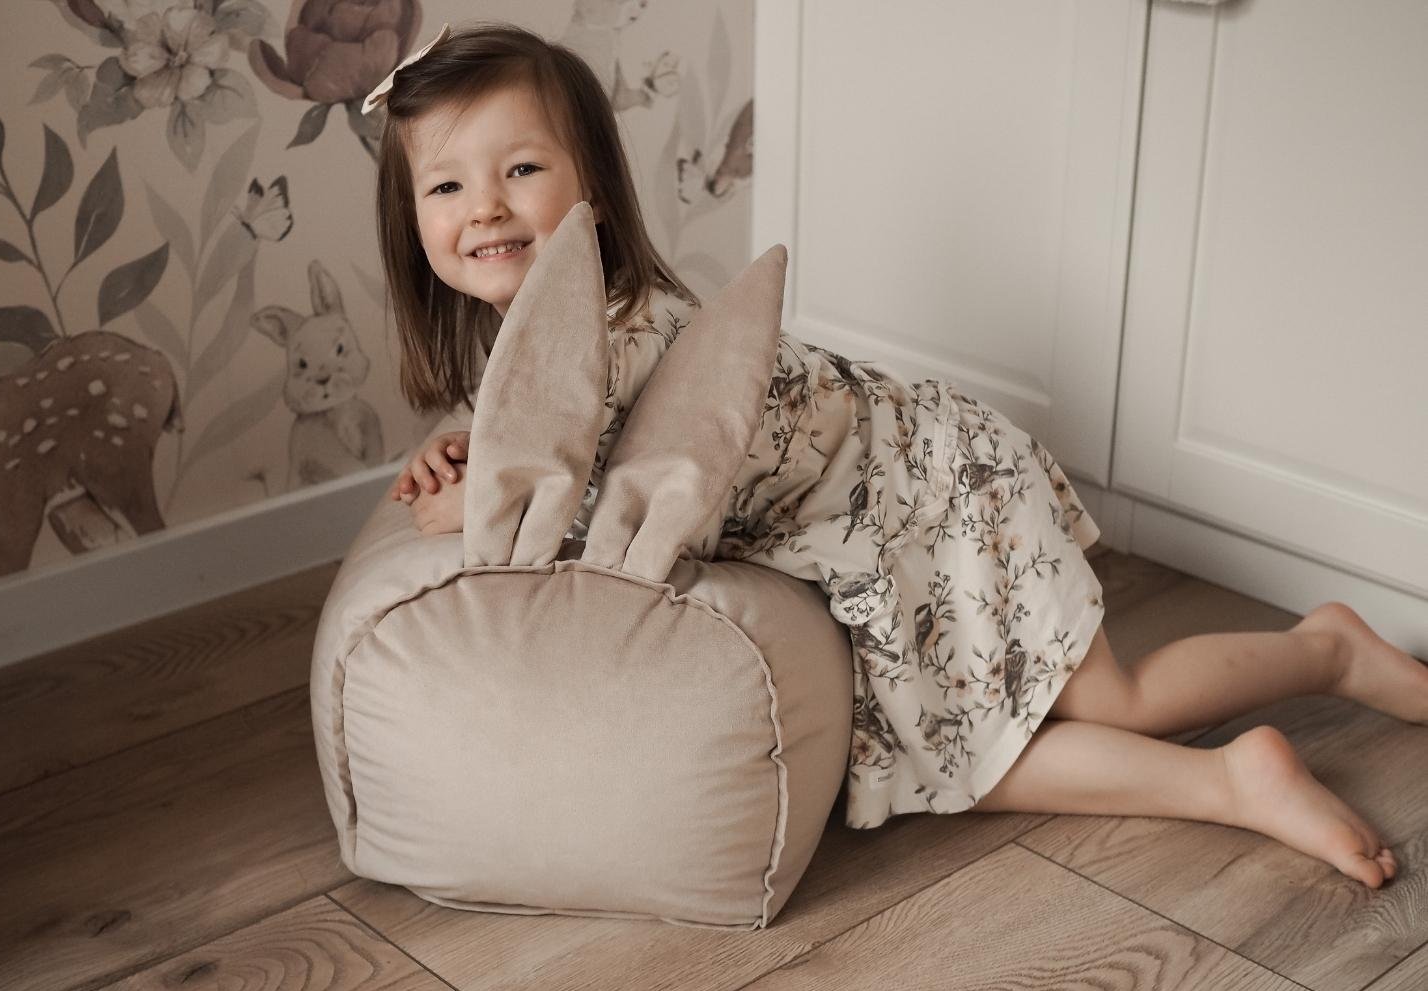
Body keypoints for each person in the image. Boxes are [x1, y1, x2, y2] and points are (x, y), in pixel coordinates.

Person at [370, 21, 1420, 888]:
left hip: (924, 485)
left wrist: (476, 507)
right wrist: (476, 446)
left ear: (589, 180)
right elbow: (568, 441)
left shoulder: (613, 325)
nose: (487, 208)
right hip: (849, 536)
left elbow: (603, 501)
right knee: (962, 760)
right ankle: (1233, 781)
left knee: (1113, 699)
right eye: (447, 188)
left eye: (519, 169)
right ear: (410, 214)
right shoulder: (548, 336)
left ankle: (1328, 650)